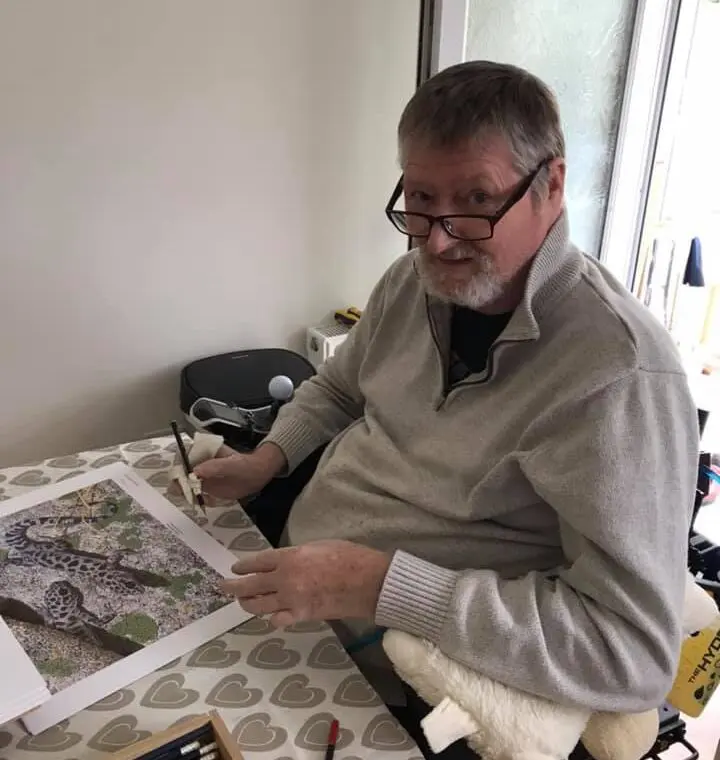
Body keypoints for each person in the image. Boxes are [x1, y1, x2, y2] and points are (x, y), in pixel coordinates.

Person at [196, 61, 699, 757]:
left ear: (552, 185)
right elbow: (339, 390)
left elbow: (632, 654)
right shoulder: (412, 283)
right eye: (422, 199)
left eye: (475, 201)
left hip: (408, 683)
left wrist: (382, 585)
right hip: (304, 599)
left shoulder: (619, 377)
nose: (435, 239)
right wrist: (267, 459)